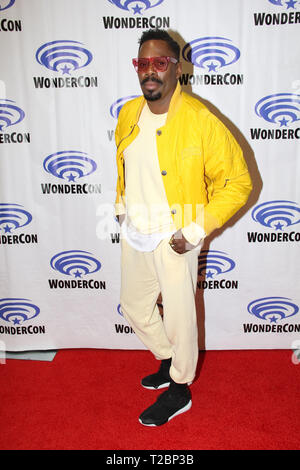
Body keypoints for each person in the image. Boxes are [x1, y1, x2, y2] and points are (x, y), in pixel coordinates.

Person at [114, 29, 252, 427]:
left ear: (178, 68)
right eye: (143, 63)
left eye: (160, 62)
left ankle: (180, 388)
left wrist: (195, 229)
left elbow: (238, 181)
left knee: (179, 318)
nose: (150, 71)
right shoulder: (128, 113)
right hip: (136, 231)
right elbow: (123, 164)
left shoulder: (199, 119)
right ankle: (168, 359)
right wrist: (121, 206)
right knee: (135, 307)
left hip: (177, 234)